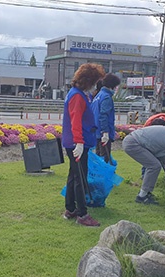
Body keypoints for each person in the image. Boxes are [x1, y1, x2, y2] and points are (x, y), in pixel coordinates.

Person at [61, 63, 106, 227]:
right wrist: (79, 142)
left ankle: (70, 209)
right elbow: (76, 122)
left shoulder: (77, 94)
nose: (96, 85)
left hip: (75, 141)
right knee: (80, 177)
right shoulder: (77, 96)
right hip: (76, 142)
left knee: (74, 175)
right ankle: (82, 213)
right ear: (88, 81)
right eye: (95, 82)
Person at [91, 73, 121, 163]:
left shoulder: (98, 96)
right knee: (104, 159)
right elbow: (103, 115)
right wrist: (105, 132)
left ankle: (98, 176)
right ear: (112, 86)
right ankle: (103, 177)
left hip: (96, 131)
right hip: (103, 132)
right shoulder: (106, 97)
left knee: (98, 157)